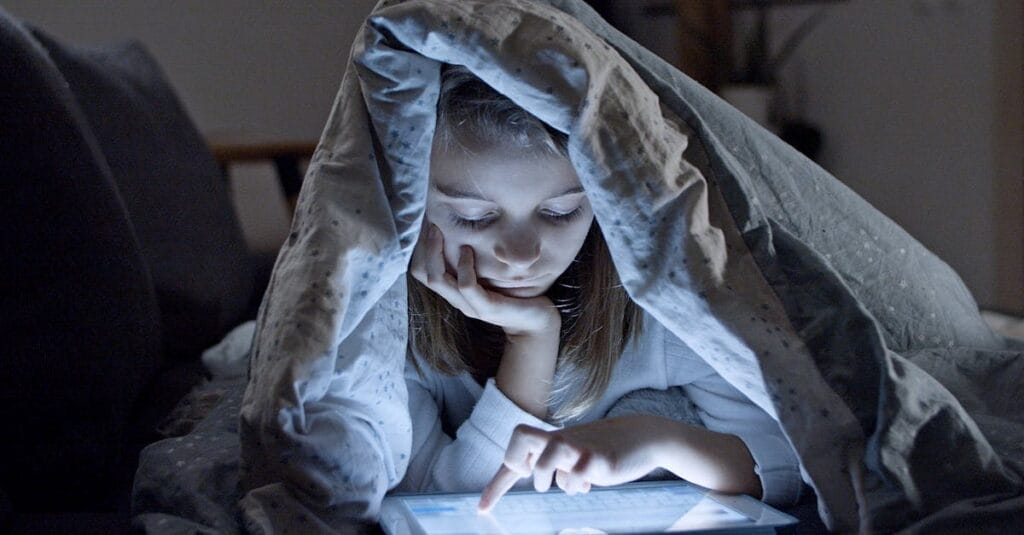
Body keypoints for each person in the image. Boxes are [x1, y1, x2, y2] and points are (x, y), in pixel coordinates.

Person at [397, 65, 803, 512]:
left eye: (559, 212)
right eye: (474, 217)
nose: (519, 254)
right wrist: (531, 341)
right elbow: (437, 506)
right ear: (417, 204)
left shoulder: (657, 309)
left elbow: (787, 469)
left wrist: (656, 440)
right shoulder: (396, 325)